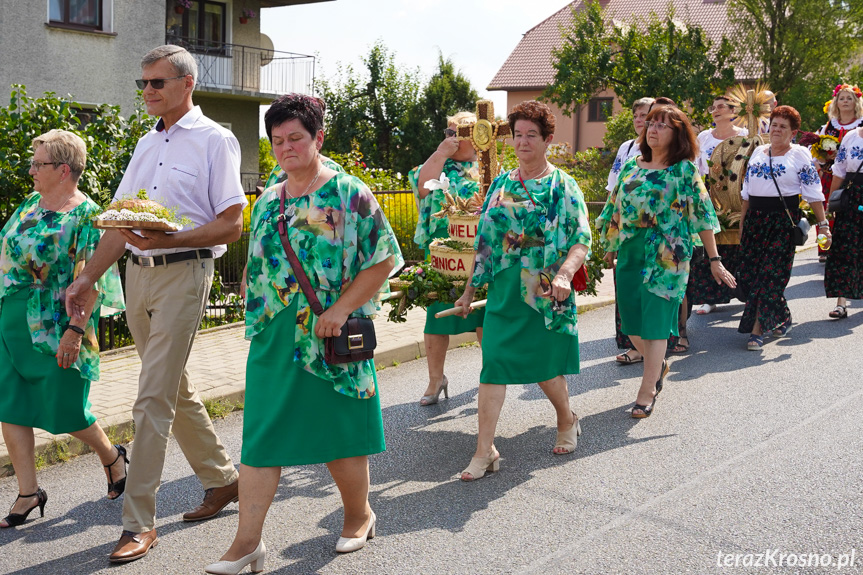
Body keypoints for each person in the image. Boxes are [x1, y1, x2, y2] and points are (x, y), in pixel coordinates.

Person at [205, 94, 402, 574]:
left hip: (328, 335)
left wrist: (340, 308)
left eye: (295, 137)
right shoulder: (271, 196)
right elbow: (259, 269)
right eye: (277, 141)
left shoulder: (349, 193)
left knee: (340, 436)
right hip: (275, 338)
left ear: (317, 138)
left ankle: (358, 516)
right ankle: (246, 543)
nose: (286, 147)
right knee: (261, 439)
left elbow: (383, 260)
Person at [65, 45, 247, 563]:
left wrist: (166, 242)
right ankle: (223, 479)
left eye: (157, 83)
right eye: (143, 83)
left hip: (184, 274)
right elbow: (121, 223)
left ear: (186, 84)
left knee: (151, 399)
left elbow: (231, 224)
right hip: (137, 279)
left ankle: (138, 521)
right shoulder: (147, 143)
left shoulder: (217, 140)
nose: (147, 91)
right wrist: (87, 279)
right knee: (174, 387)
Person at [454, 100, 590, 481]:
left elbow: (581, 239)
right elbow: (485, 242)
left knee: (546, 369)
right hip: (502, 290)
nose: (523, 142)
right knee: (492, 366)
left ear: (548, 140)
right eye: (518, 135)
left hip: (544, 288)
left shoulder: (563, 184)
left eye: (532, 135)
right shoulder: (501, 183)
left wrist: (564, 274)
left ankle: (567, 419)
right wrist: (469, 291)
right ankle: (485, 450)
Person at [0, 130, 126, 528]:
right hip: (12, 317)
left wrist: (76, 330)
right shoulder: (29, 205)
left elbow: (93, 278)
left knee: (68, 411)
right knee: (10, 406)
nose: (32, 170)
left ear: (63, 169)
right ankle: (27, 492)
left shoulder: (87, 215)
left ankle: (112, 456)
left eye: (38, 164)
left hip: (58, 321)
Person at [598, 105, 735, 418]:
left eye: (662, 125)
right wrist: (609, 246)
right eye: (651, 124)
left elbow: (701, 215)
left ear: (678, 134)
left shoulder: (684, 170)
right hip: (631, 251)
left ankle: (646, 391)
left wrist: (715, 259)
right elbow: (614, 207)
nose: (653, 130)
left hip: (668, 254)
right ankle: (656, 366)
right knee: (631, 320)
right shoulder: (632, 166)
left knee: (656, 323)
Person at [736, 105, 829, 350]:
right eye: (774, 124)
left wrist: (824, 226)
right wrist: (742, 224)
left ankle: (757, 330)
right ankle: (782, 316)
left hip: (782, 221)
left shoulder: (798, 155)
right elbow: (746, 193)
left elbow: (814, 193)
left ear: (793, 132)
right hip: (755, 220)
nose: (776, 130)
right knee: (750, 276)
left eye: (783, 127)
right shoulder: (757, 152)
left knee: (770, 276)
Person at [409, 110, 484, 405]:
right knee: (436, 321)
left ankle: (490, 378)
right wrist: (441, 153)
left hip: (480, 256)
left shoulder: (487, 168)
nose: (451, 138)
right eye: (448, 132)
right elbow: (423, 185)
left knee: (484, 320)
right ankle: (435, 380)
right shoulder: (439, 165)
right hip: (444, 258)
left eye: (458, 133)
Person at [687, 96, 749, 319]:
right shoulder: (703, 137)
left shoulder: (744, 135)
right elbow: (695, 165)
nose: (715, 110)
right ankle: (709, 297)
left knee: (738, 244)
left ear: (734, 111)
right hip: (710, 195)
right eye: (713, 107)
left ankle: (742, 291)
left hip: (737, 196)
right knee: (710, 242)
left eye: (721, 107)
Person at [605, 97, 654, 365]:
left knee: (650, 293)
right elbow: (614, 189)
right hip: (626, 232)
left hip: (656, 237)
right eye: (636, 115)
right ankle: (632, 345)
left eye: (645, 115)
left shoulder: (669, 154)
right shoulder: (626, 149)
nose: (639, 120)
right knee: (625, 292)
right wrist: (611, 237)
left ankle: (656, 347)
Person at [815, 85, 863, 263]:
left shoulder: (860, 125)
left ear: (856, 102)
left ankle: (845, 250)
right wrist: (824, 156)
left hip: (854, 176)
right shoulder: (829, 126)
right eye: (842, 98)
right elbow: (817, 152)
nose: (845, 101)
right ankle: (825, 248)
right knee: (828, 211)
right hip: (832, 175)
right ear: (836, 102)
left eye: (849, 98)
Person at [823, 126, 863, 318]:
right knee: (844, 248)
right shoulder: (851, 136)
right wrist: (831, 204)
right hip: (852, 197)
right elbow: (839, 171)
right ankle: (841, 303)